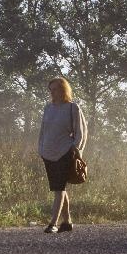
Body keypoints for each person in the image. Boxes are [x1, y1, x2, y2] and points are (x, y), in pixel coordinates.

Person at [37, 77, 87, 233]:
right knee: (57, 187)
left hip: (65, 152)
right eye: (50, 89)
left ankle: (53, 224)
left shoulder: (73, 108)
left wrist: (76, 149)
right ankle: (67, 222)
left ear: (63, 89)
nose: (52, 92)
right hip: (48, 153)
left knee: (59, 188)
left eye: (55, 89)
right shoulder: (48, 108)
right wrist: (41, 148)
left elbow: (82, 132)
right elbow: (43, 130)